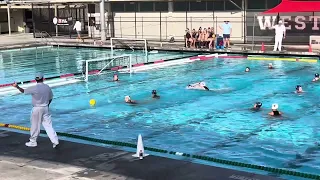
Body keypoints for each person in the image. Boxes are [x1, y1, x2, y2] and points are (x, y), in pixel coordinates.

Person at [12, 73, 59, 148]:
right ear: (43, 78)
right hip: (45, 108)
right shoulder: (47, 87)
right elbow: (50, 98)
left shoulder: (34, 88)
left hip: (37, 108)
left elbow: (23, 91)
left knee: (35, 126)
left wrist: (17, 86)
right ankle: (55, 141)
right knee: (48, 126)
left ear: (35, 79)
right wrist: (47, 105)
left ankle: (33, 141)